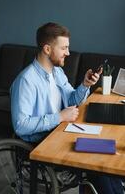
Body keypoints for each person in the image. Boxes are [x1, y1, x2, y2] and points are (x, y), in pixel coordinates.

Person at [10, 22, 124, 194]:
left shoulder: (57, 72)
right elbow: (21, 125)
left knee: (103, 157)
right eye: (64, 48)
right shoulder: (26, 81)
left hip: (61, 132)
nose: (68, 53)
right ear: (47, 49)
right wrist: (59, 117)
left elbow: (72, 99)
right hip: (41, 142)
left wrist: (85, 85)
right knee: (96, 166)